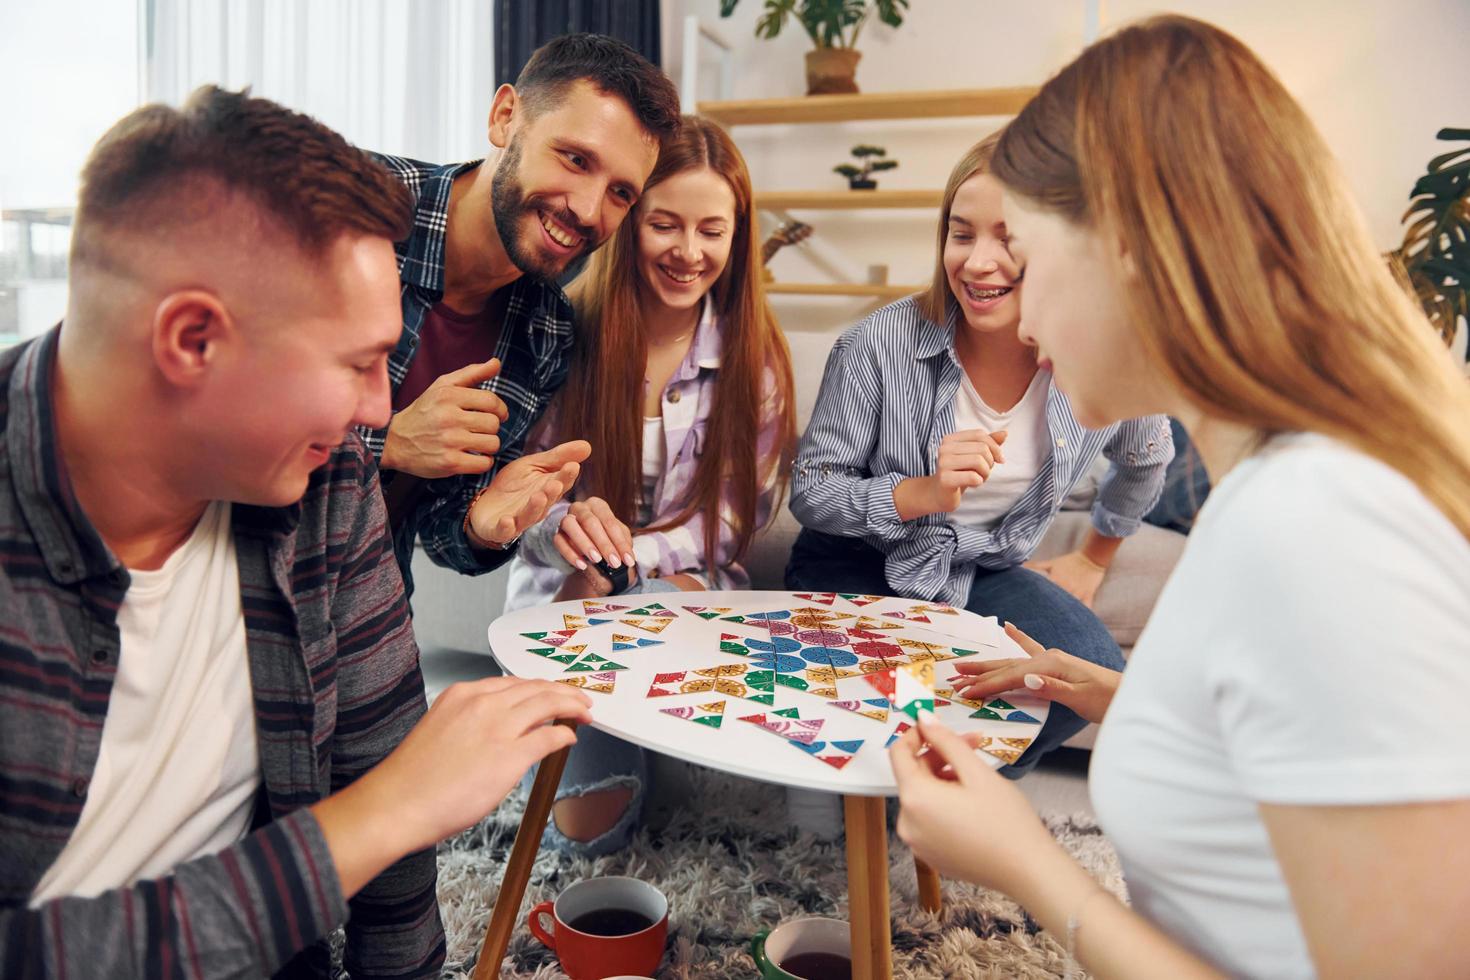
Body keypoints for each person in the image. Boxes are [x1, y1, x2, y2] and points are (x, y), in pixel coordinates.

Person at [890, 16, 1470, 980]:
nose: (1023, 320)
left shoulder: (1321, 521)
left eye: (1031, 260)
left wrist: (1027, 864)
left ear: (1128, 246)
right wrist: (1128, 696)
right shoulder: (1285, 492)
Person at [0, 86, 593, 978]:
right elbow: (389, 807)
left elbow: (391, 841)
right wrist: (382, 812)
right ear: (192, 340)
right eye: (358, 364)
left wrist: (392, 808)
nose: (379, 409)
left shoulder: (325, 481)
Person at [785, 132, 1173, 775]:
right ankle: (874, 787)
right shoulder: (874, 346)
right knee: (897, 696)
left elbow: (1147, 455)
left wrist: (1094, 558)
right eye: (961, 234)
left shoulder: (1091, 353)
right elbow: (812, 494)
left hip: (981, 568)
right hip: (856, 562)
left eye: (1007, 237)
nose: (977, 262)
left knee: (1092, 675)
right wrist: (920, 493)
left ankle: (965, 784)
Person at [500, 115, 797, 853]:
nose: (688, 253)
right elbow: (520, 498)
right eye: (664, 224)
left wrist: (623, 563)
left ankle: (637, 720)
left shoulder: (753, 361)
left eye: (711, 231)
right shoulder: (564, 335)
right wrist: (564, 533)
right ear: (630, 222)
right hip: (567, 602)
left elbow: (727, 527)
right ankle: (618, 732)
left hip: (685, 594)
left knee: (648, 606)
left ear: (736, 237)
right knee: (584, 837)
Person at [364, 33, 682, 597]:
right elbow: (200, 405)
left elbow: (439, 531)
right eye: (575, 159)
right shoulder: (358, 207)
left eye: (620, 193)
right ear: (506, 117)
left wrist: (484, 524)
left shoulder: (547, 330)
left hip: (370, 604)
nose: (587, 210)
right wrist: (386, 443)